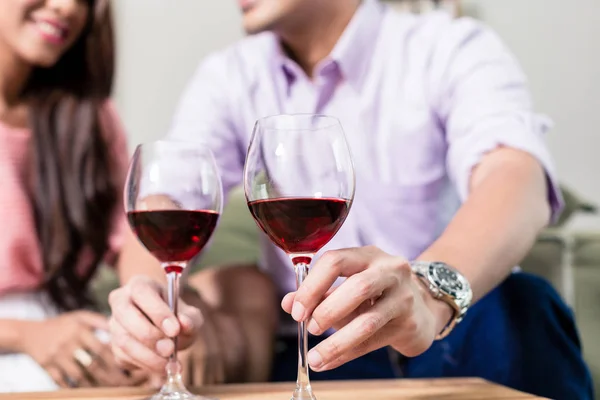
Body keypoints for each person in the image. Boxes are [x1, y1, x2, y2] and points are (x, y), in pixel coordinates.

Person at [108, 0, 594, 398]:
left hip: (451, 336)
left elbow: (515, 176)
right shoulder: (229, 76)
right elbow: (167, 196)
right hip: (312, 352)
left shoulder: (448, 47)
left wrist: (429, 292)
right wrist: (153, 304)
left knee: (521, 302)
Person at [0, 0, 146, 392]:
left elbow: (132, 233)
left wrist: (147, 315)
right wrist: (27, 335)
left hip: (71, 325)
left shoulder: (90, 117)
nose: (67, 8)